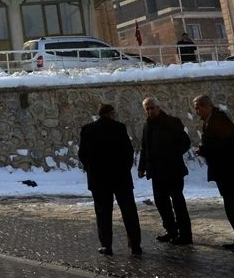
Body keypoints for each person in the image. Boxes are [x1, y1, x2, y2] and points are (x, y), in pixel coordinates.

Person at [78, 103, 142, 257]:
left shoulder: (87, 129)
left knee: (103, 213)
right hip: (120, 177)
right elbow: (128, 151)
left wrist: (91, 169)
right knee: (129, 211)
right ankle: (135, 245)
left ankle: (107, 246)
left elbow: (82, 154)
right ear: (111, 114)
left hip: (98, 179)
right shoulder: (119, 128)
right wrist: (124, 169)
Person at [192, 94, 234, 254]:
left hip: (232, 173)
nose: (196, 111)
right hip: (224, 173)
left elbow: (223, 146)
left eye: (198, 107)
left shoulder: (219, 120)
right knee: (231, 207)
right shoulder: (210, 121)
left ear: (208, 106)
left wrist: (204, 150)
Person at [138, 97, 192, 245]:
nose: (150, 111)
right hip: (156, 171)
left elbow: (185, 142)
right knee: (161, 203)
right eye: (147, 109)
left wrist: (172, 154)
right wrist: (142, 166)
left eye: (152, 108)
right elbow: (144, 148)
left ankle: (185, 234)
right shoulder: (147, 125)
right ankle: (171, 230)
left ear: (158, 107)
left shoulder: (172, 122)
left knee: (177, 202)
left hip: (172, 169)